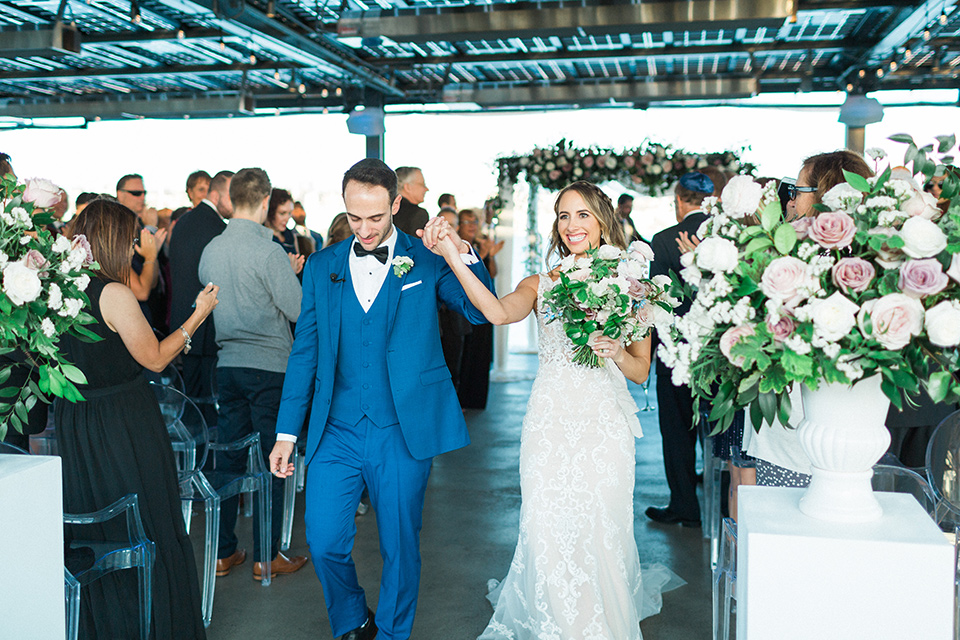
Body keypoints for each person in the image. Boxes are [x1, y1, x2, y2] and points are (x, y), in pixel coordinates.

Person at [423, 180, 678, 638]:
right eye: (563, 216)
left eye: (582, 214)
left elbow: (641, 371)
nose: (572, 224)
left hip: (603, 423)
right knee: (544, 526)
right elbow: (498, 313)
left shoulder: (634, 285)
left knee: (602, 527)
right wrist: (453, 258)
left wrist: (616, 352)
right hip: (550, 420)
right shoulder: (542, 284)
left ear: (603, 220)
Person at [268, 158, 494, 640]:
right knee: (325, 540)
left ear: (396, 204)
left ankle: (392, 633)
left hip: (402, 429)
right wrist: (287, 433)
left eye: (375, 217)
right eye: (354, 218)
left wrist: (458, 250)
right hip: (337, 429)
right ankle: (351, 618)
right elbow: (305, 352)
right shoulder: (323, 266)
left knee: (400, 546)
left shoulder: (428, 258)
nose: (365, 229)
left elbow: (480, 312)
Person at [57, 197, 217, 639]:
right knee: (148, 524)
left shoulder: (60, 289)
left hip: (77, 424)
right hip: (123, 426)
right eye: (130, 240)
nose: (134, 248)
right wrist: (196, 317)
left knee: (99, 533)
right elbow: (155, 359)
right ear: (113, 240)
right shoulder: (114, 292)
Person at [198, 168, 307, 581]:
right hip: (270, 367)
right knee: (273, 461)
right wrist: (290, 277)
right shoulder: (269, 252)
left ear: (231, 199)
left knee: (227, 458)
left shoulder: (212, 249)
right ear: (264, 203)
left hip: (227, 366)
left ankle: (224, 552)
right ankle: (266, 554)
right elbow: (296, 310)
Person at [742, 150, 875, 488]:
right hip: (839, 433)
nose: (792, 200)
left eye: (798, 190)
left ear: (824, 193)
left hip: (804, 428)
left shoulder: (816, 258)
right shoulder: (873, 255)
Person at [646, 171, 716, 528]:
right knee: (718, 428)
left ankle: (685, 506)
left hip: (676, 353)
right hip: (721, 355)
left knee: (677, 432)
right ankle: (721, 496)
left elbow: (659, 302)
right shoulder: (726, 236)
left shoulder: (663, 240)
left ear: (679, 201)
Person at [169, 170, 233, 424]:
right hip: (205, 330)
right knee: (206, 412)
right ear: (215, 195)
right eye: (232, 196)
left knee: (190, 405)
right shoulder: (218, 228)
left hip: (185, 326)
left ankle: (192, 459)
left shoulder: (185, 221)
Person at [457, 208, 503, 409]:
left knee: (481, 352)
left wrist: (489, 255)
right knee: (465, 354)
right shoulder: (456, 247)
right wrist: (482, 253)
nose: (472, 225)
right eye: (468, 222)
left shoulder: (481, 243)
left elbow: (492, 272)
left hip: (485, 303)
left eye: (475, 221)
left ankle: (477, 398)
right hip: (464, 305)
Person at [393, 166, 429, 234]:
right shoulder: (418, 214)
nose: (427, 189)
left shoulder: (385, 210)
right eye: (422, 184)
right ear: (408, 187)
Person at [266, 188, 299, 255]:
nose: (287, 218)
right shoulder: (263, 238)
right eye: (282, 213)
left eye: (289, 213)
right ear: (270, 212)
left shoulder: (291, 235)